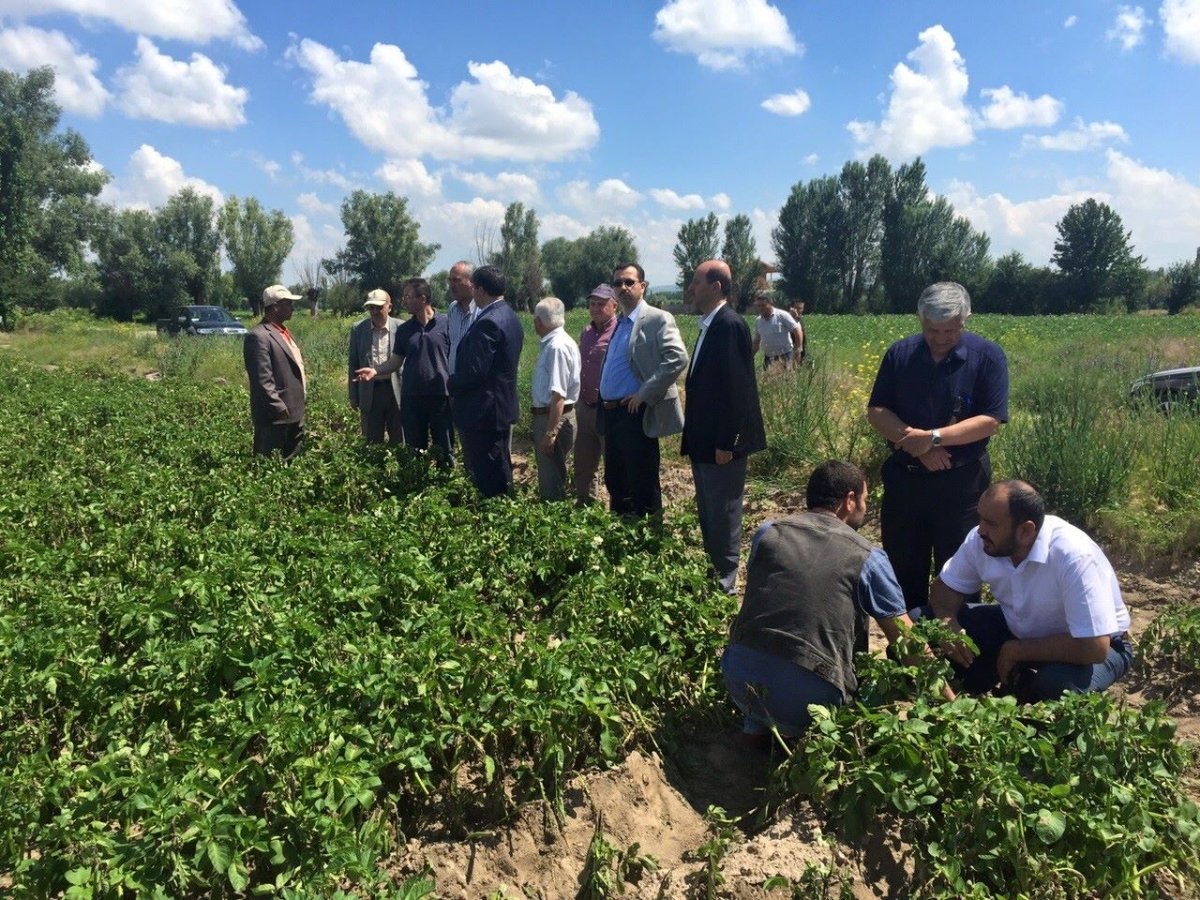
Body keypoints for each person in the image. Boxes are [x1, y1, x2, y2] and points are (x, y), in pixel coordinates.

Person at [723, 460, 916, 739]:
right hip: (811, 697)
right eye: (864, 499)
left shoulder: (769, 532)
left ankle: (756, 726)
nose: (864, 508)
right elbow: (908, 641)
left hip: (739, 678)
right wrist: (951, 705)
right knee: (879, 688)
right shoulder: (868, 556)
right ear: (849, 500)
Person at [866, 281, 1009, 610]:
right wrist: (916, 445)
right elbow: (877, 411)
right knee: (903, 571)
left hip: (961, 486)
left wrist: (932, 438)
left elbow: (990, 420)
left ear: (966, 319)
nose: (941, 338)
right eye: (932, 330)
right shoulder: (900, 355)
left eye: (950, 330)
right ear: (920, 320)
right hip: (906, 481)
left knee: (960, 573)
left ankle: (956, 638)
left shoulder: (987, 357)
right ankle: (908, 639)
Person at [930, 480, 1133, 701]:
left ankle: (1026, 683)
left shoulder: (1073, 556)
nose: (981, 530)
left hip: (1093, 646)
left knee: (1057, 686)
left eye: (991, 523)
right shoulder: (983, 540)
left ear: (1026, 531)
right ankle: (996, 679)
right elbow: (944, 589)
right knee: (925, 624)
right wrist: (947, 623)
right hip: (1018, 629)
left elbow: (1094, 647)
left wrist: (1017, 650)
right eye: (981, 519)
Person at [682, 260, 766, 593]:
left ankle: (724, 584)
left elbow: (736, 388)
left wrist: (727, 442)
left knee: (724, 513)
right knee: (710, 512)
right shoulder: (711, 324)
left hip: (721, 443)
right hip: (704, 439)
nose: (691, 288)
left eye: (697, 281)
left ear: (716, 286)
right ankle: (713, 576)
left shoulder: (729, 325)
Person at [597, 262, 688, 518]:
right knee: (616, 479)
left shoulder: (657, 318)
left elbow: (677, 358)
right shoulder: (620, 322)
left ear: (642, 286)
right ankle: (620, 533)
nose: (623, 287)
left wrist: (644, 393)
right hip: (611, 413)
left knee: (641, 479)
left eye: (629, 282)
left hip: (634, 412)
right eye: (618, 283)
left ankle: (649, 534)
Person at [355, 279, 453, 461]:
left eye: (408, 296)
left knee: (444, 449)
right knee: (414, 451)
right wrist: (376, 370)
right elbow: (396, 361)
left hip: (440, 397)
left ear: (422, 299)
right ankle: (416, 478)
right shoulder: (405, 330)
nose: (404, 301)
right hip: (412, 398)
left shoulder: (446, 324)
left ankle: (445, 476)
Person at [448, 265, 524, 497]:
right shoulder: (509, 315)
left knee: (489, 472)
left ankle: (495, 510)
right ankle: (503, 505)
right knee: (499, 464)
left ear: (480, 290)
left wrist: (450, 383)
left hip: (484, 411)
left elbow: (475, 372)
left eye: (474, 287)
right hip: (498, 407)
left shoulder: (488, 322)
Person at [243, 284, 306, 459]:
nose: (292, 308)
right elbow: (262, 380)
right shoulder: (258, 337)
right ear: (276, 307)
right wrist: (278, 407)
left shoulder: (284, 332)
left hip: (294, 412)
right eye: (288, 304)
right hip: (275, 418)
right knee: (268, 466)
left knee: (290, 465)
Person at [531, 296, 581, 501]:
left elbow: (558, 394)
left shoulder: (556, 347)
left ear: (538, 322)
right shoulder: (560, 342)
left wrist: (550, 433)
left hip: (552, 418)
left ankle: (554, 516)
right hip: (554, 417)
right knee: (554, 475)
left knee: (551, 482)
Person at [574, 283, 619, 504]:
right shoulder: (587, 332)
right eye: (592, 304)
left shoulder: (619, 332)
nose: (595, 308)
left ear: (614, 306)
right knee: (583, 463)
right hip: (585, 407)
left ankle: (616, 509)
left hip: (608, 409)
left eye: (601, 304)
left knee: (614, 464)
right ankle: (585, 505)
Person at [347, 288, 403, 444]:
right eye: (371, 307)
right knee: (371, 440)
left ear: (389, 307)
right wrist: (353, 395)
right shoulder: (359, 329)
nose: (375, 311)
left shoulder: (401, 327)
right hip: (370, 391)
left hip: (395, 390)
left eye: (379, 307)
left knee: (399, 438)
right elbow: (353, 363)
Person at [753, 294, 802, 370]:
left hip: (785, 356)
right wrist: (750, 355)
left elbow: (797, 331)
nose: (761, 308)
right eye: (758, 306)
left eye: (763, 305)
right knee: (768, 377)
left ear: (770, 304)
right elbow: (757, 341)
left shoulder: (782, 315)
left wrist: (797, 351)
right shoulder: (758, 321)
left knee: (786, 377)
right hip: (768, 358)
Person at [446, 260, 476, 376]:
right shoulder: (452, 308)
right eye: (450, 280)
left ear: (472, 282)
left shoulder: (483, 310)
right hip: (454, 380)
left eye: (457, 280)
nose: (452, 285)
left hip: (475, 383)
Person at [788, 300, 808, 364]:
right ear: (791, 308)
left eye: (801, 308)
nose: (799, 310)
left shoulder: (800, 320)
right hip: (789, 349)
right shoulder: (786, 320)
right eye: (796, 308)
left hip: (800, 349)